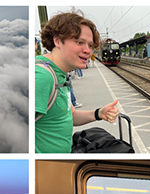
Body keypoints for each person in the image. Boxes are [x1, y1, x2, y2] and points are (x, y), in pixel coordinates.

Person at [35, 13, 119, 153]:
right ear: (57, 41)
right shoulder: (42, 77)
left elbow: (69, 115)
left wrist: (99, 113)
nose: (87, 50)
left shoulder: (60, 73)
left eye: (90, 45)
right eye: (79, 42)